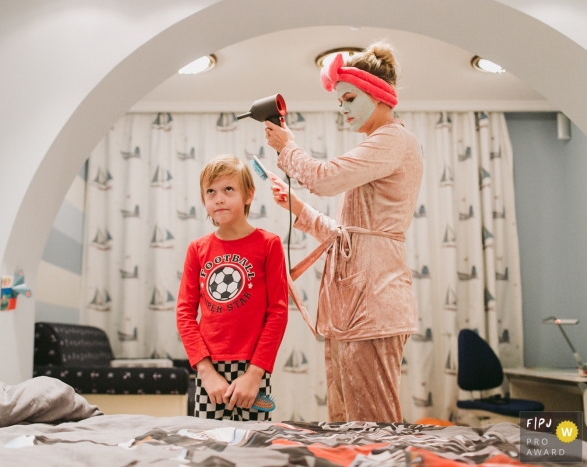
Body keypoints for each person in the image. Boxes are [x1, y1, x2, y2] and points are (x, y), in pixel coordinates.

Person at [264, 42, 423, 423]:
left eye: (350, 98)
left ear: (379, 94)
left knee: (371, 422)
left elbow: (325, 178)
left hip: (372, 302)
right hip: (354, 305)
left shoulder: (393, 140)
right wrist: (297, 208)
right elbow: (345, 234)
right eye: (340, 103)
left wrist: (289, 149)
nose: (344, 109)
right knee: (345, 418)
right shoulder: (376, 147)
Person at [176, 154, 288, 421]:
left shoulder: (268, 245)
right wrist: (205, 372)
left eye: (229, 189)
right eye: (211, 192)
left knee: (254, 448)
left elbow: (278, 314)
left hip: (253, 370)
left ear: (248, 195)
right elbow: (184, 314)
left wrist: (254, 374)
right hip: (209, 370)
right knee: (209, 449)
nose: (219, 198)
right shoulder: (197, 249)